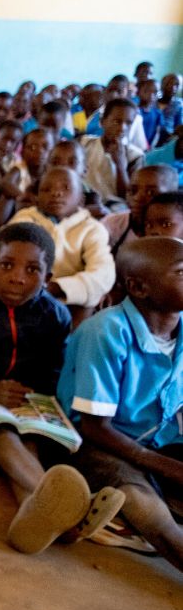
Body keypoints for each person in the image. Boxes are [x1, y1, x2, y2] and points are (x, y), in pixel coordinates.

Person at [0, 223, 120, 551]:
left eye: (32, 270)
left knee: (30, 444)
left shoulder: (54, 315)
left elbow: (53, 372)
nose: (17, 278)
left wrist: (34, 400)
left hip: (25, 406)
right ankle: (76, 510)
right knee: (4, 438)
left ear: (48, 276)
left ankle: (36, 525)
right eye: (6, 265)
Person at [57, 237, 183, 571]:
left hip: (157, 442)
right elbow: (94, 427)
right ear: (139, 287)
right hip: (97, 444)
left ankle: (129, 512)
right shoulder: (106, 332)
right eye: (182, 272)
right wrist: (161, 465)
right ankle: (135, 517)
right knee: (141, 499)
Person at [0, 166, 115, 315]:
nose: (56, 193)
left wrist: (57, 288)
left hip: (64, 300)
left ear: (81, 199)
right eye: (46, 189)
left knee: (88, 305)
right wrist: (9, 279)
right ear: (37, 198)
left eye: (66, 188)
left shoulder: (91, 229)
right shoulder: (26, 218)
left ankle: (67, 338)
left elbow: (103, 273)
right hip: (21, 292)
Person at [80, 99, 145, 205]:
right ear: (102, 122)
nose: (122, 128)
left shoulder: (135, 156)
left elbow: (128, 197)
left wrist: (120, 164)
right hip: (83, 201)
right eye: (117, 121)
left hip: (115, 209)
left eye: (128, 123)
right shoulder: (84, 143)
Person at [101, 165, 179, 252]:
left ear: (172, 194)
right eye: (132, 190)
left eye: (150, 192)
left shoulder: (178, 225)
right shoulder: (112, 224)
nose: (137, 198)